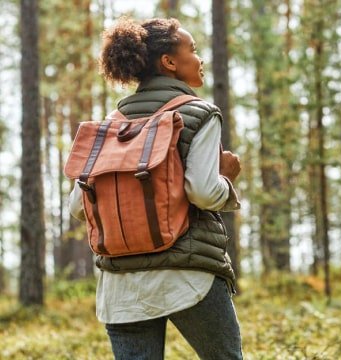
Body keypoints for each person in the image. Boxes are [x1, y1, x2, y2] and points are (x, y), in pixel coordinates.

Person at [69, 17, 243, 360]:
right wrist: (227, 177)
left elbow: (78, 206)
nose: (199, 58)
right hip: (188, 276)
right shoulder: (199, 114)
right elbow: (204, 193)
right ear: (170, 62)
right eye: (192, 50)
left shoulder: (111, 125)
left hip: (121, 287)